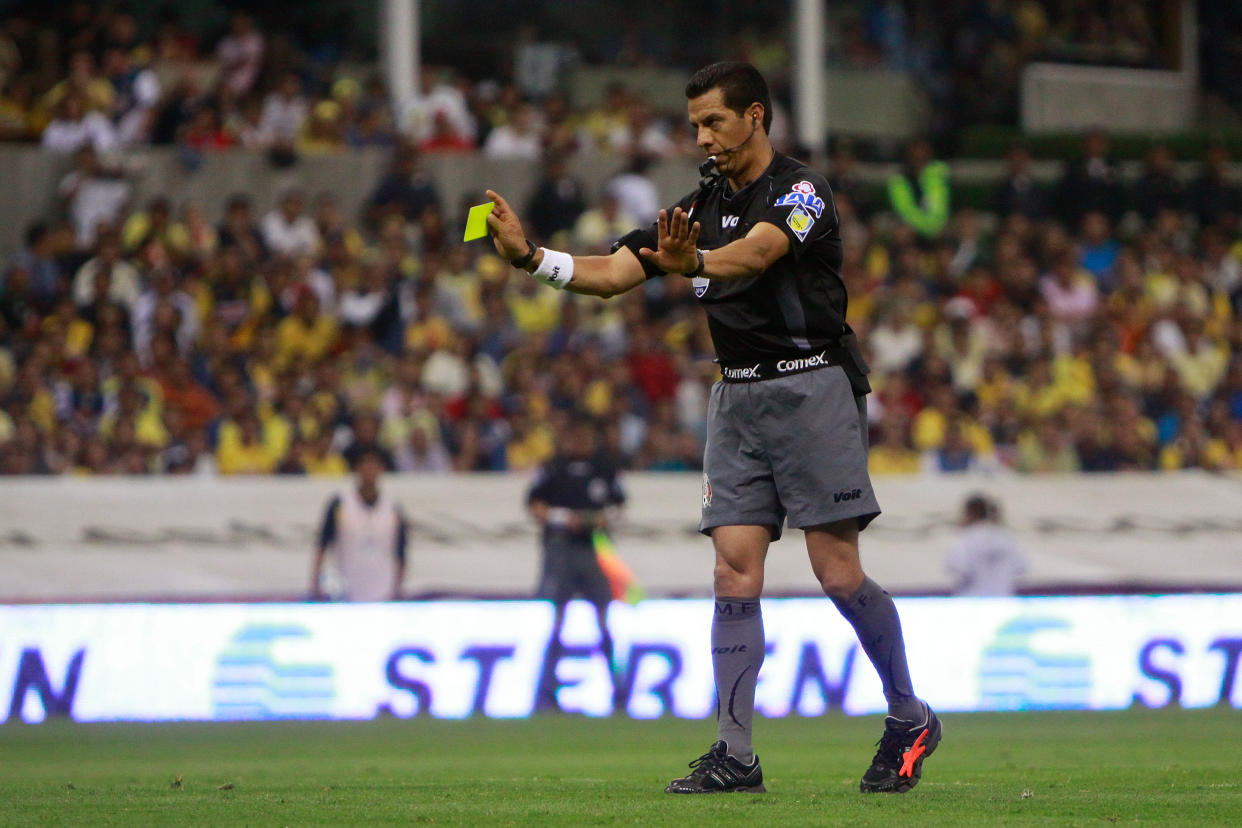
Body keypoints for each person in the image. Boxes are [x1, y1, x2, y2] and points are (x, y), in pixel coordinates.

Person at [484, 61, 940, 795]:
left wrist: (689, 261)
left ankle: (908, 714)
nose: (702, 136)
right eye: (695, 123)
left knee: (837, 572)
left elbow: (756, 254)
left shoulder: (800, 191)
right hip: (736, 399)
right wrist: (532, 259)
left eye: (714, 122)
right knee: (732, 567)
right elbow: (610, 273)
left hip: (812, 386)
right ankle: (736, 754)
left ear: (755, 116)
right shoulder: (697, 207)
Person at [527, 415, 625, 711]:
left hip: (595, 548)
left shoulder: (604, 467)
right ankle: (547, 692)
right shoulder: (552, 468)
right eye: (575, 435)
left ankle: (617, 691)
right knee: (556, 620)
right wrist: (562, 518)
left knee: (604, 618)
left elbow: (619, 506)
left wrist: (599, 519)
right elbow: (534, 505)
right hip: (561, 549)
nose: (580, 442)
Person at [310, 447, 408, 601]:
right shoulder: (340, 504)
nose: (369, 470)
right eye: (365, 465)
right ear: (357, 468)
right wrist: (315, 582)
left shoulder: (393, 508)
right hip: (346, 590)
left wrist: (398, 588)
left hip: (384, 589)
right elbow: (323, 544)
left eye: (374, 465)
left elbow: (401, 552)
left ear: (381, 469)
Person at [945, 494, 1026, 597]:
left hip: (973, 601)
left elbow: (958, 568)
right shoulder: (1006, 537)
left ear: (969, 513)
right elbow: (1021, 567)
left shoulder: (966, 538)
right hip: (1003, 600)